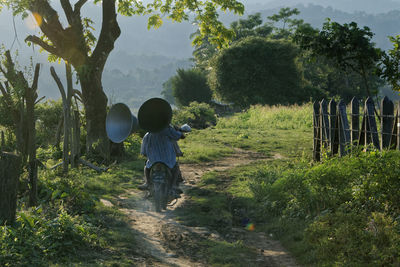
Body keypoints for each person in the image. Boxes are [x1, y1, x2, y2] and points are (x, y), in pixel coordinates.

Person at [139, 125, 185, 196]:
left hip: (153, 161)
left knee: (147, 167)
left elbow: (143, 152)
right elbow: (180, 136)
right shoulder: (168, 130)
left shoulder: (147, 135)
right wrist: (178, 130)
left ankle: (147, 183)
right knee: (176, 168)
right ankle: (173, 186)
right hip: (168, 160)